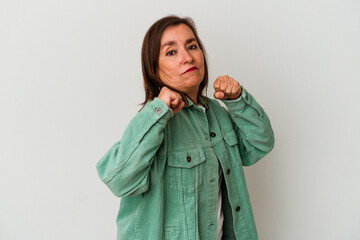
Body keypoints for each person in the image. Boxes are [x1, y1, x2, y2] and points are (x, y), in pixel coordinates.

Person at [96, 15, 275, 240]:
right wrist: (158, 111)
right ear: (154, 69)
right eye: (171, 52)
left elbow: (260, 144)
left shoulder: (217, 113)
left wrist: (238, 100)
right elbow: (118, 179)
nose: (187, 57)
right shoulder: (155, 121)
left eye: (192, 46)